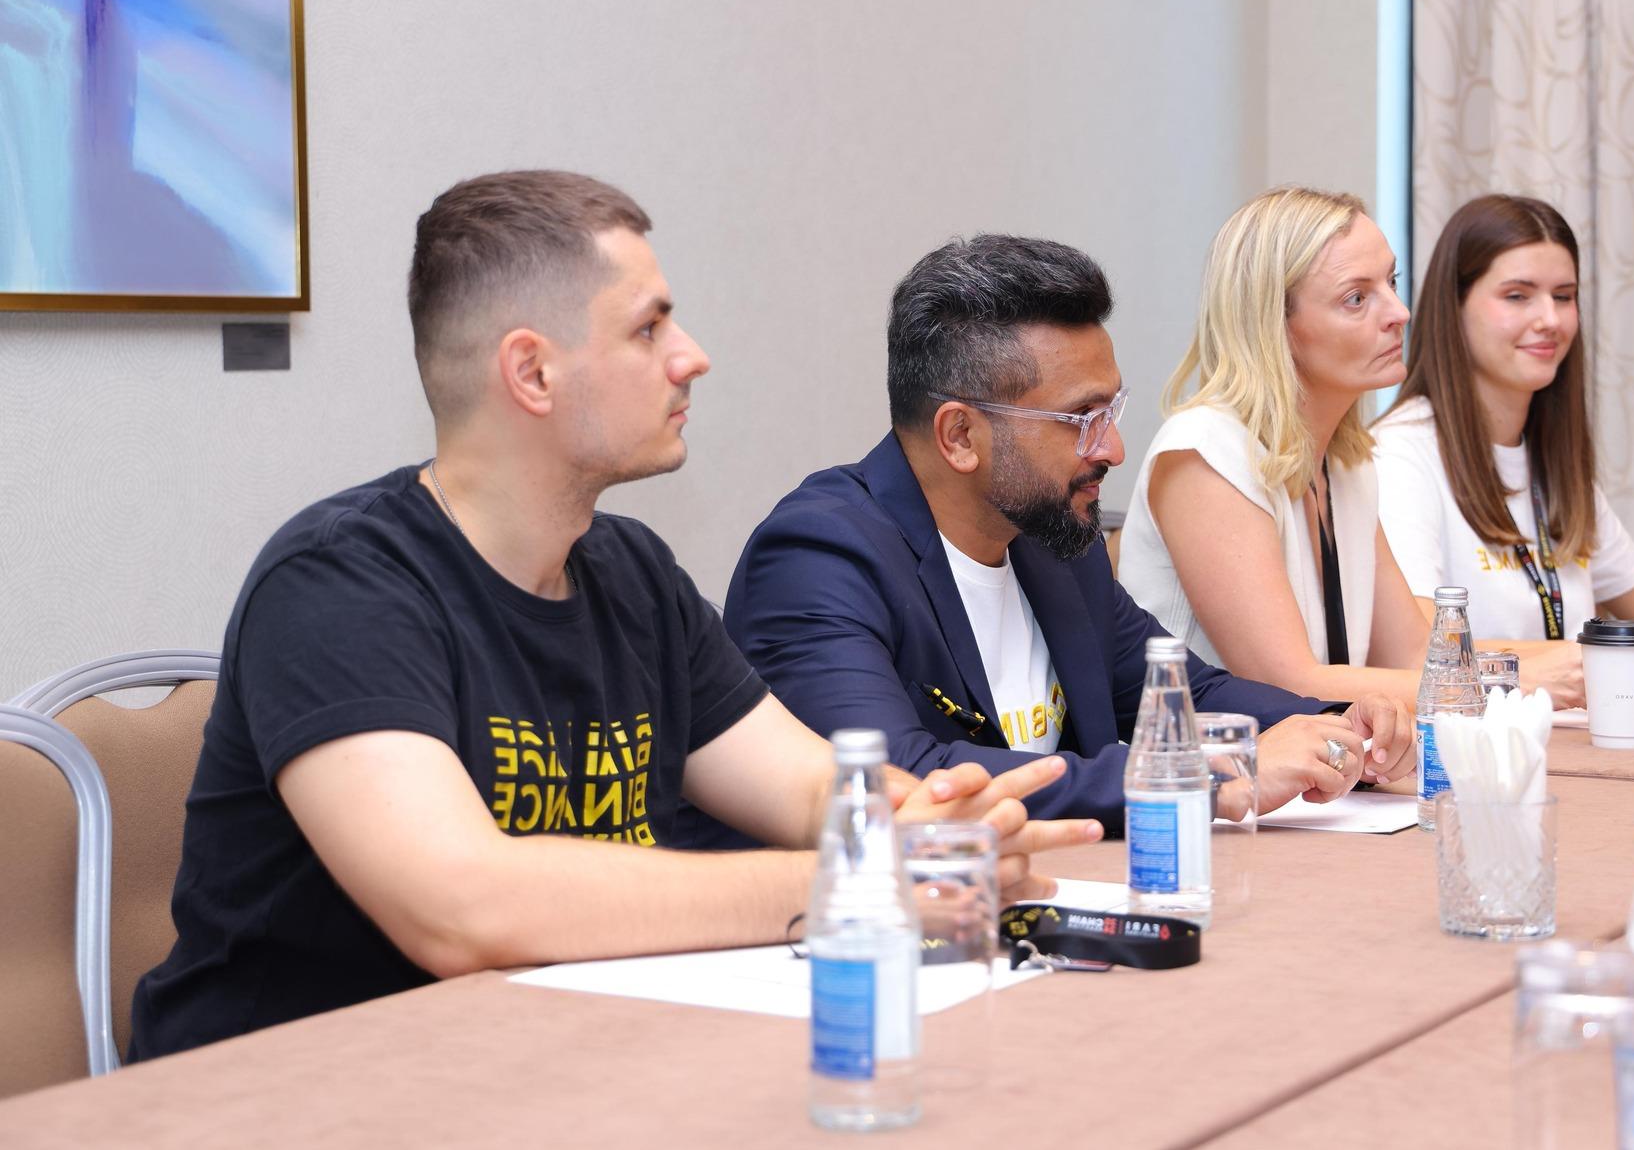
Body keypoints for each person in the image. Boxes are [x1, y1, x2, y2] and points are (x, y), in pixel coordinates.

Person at [129, 172, 1095, 1060]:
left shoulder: (632, 574)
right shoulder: (338, 585)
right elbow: (462, 907)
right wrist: (860, 879)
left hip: (550, 1061)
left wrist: (947, 830)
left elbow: (810, 791)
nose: (692, 357)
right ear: (532, 374)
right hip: (291, 1091)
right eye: (648, 329)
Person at [723, 234, 1416, 828]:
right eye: (1082, 419)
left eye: (1111, 411)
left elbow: (1188, 694)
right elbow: (900, 777)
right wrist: (1205, 776)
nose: (1113, 448)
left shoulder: (1052, 543)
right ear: (959, 435)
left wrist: (1340, 724)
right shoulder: (819, 557)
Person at [1371, 193, 1634, 696]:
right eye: (1518, 296)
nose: (1550, 319)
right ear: (1453, 308)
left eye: (1564, 296)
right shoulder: (1400, 455)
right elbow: (1425, 649)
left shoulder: (1548, 455)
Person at [1117, 187, 1433, 718]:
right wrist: (1502, 688)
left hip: (1319, 760)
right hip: (1201, 767)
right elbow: (1288, 685)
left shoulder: (1347, 464)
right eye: (1357, 298)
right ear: (1273, 326)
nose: (1399, 313)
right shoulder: (1204, 451)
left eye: (1392, 282)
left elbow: (1414, 656)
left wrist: (1525, 682)